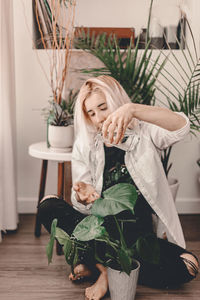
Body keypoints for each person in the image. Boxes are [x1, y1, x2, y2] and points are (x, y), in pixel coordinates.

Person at [38, 75, 199, 300]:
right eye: (91, 113)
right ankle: (110, 270)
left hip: (138, 238)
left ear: (117, 101)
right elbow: (85, 211)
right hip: (102, 233)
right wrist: (83, 196)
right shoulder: (85, 145)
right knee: (48, 205)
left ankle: (99, 265)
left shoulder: (145, 132)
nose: (98, 119)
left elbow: (182, 126)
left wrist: (133, 110)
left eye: (103, 108)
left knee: (189, 265)